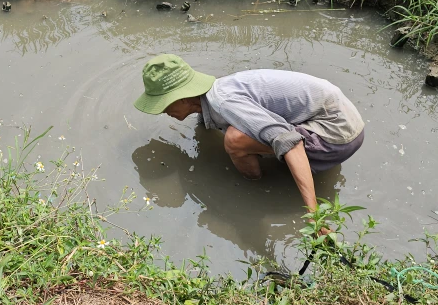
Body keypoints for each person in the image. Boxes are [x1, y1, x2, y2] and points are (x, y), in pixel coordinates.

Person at [133, 53, 364, 217]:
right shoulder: (213, 93)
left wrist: (313, 216)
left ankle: (255, 184)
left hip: (338, 134)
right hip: (338, 114)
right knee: (240, 134)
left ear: (182, 98)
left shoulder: (225, 103)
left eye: (164, 105)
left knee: (234, 140)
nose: (164, 112)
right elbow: (204, 124)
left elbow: (290, 143)